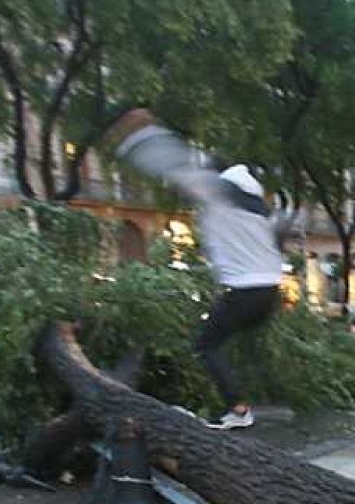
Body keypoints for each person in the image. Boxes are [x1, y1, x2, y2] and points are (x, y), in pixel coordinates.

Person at [112, 108, 290, 430]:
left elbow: (173, 163)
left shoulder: (221, 194)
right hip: (269, 290)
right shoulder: (259, 207)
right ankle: (264, 394)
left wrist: (139, 138)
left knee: (206, 345)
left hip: (245, 290)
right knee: (241, 339)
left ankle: (238, 410)